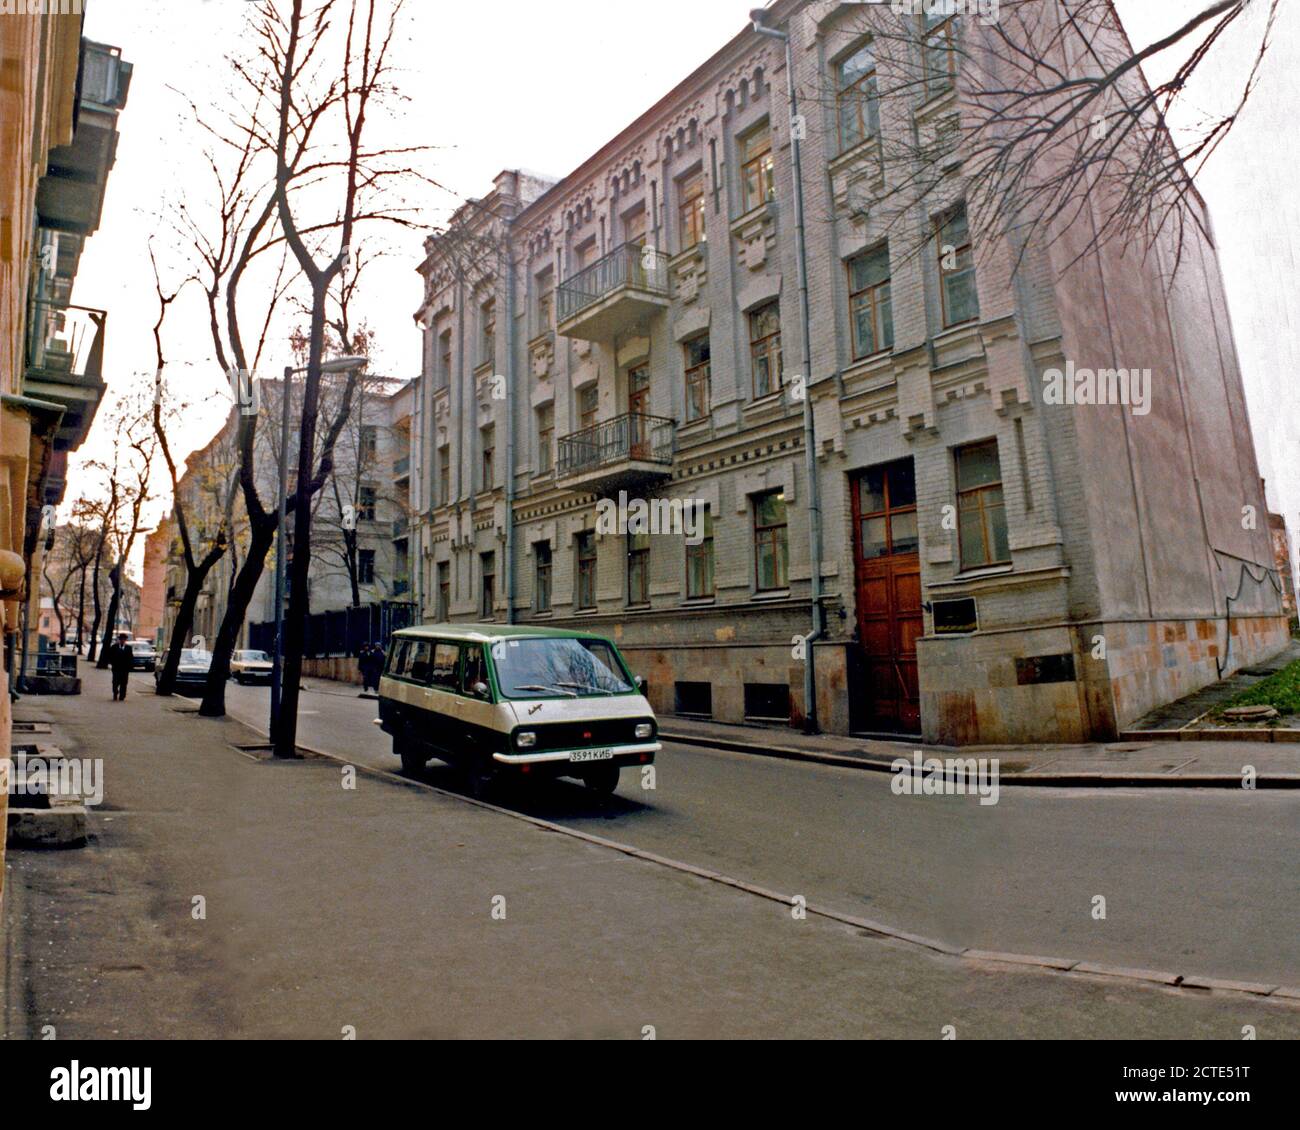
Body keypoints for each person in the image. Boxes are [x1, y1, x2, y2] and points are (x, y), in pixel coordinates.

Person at [107, 632, 134, 701]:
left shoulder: (128, 648)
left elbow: (131, 658)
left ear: (125, 640)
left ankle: (122, 696)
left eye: (124, 639)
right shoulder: (114, 647)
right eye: (121, 639)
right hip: (116, 668)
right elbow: (110, 656)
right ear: (119, 640)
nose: (122, 640)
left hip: (125, 669)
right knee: (115, 682)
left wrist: (129, 667)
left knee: (124, 683)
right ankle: (115, 693)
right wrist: (112, 664)